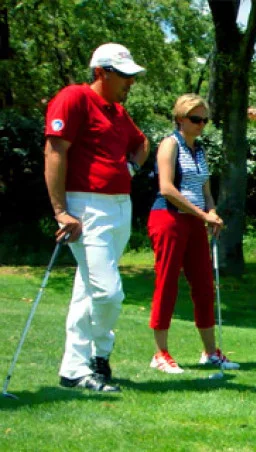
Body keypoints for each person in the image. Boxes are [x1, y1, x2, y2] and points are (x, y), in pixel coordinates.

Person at [44, 43, 149, 392]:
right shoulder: (74, 98)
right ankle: (99, 353)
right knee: (108, 292)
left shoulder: (117, 112)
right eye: (124, 75)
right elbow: (54, 151)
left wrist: (130, 169)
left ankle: (74, 369)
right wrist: (61, 211)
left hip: (120, 206)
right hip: (86, 207)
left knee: (88, 291)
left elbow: (141, 143)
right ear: (101, 72)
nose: (130, 83)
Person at [147, 93, 240, 374]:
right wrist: (202, 214)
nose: (201, 125)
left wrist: (211, 212)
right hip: (168, 219)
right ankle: (160, 353)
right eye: (195, 119)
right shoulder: (169, 144)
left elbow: (205, 190)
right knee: (167, 283)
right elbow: (166, 188)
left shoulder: (199, 150)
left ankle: (210, 352)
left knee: (203, 286)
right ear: (180, 119)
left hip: (194, 222)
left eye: (204, 120)